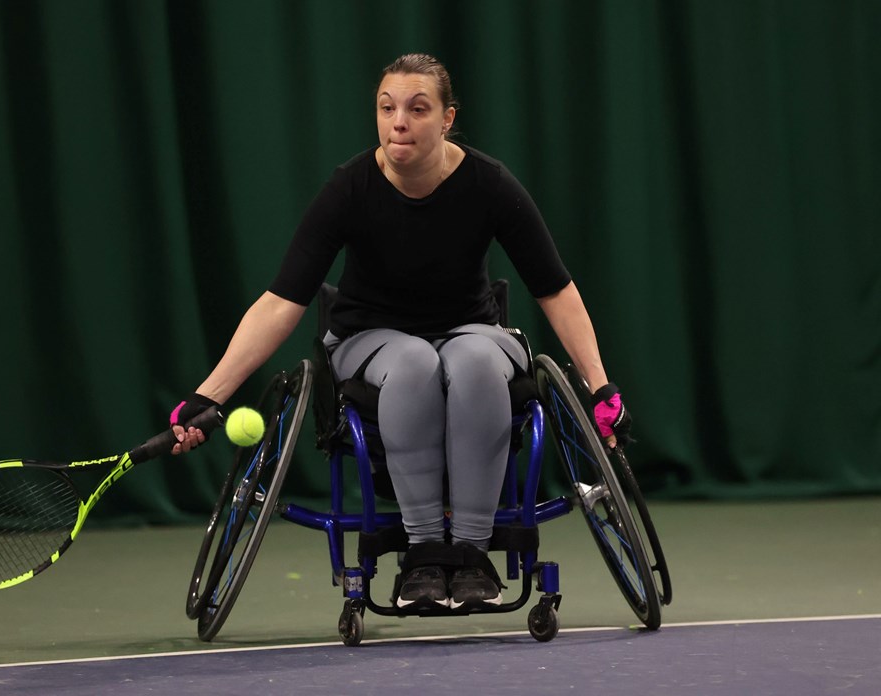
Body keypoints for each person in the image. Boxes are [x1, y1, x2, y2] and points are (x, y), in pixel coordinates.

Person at [169, 53, 631, 611]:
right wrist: (208, 394)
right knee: (414, 361)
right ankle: (424, 551)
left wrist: (601, 388)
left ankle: (472, 553)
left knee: (474, 362)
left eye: (417, 109)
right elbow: (280, 303)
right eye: (387, 108)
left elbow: (556, 291)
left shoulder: (489, 183)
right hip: (372, 339)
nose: (399, 122)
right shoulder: (349, 188)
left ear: (446, 118)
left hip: (471, 332)